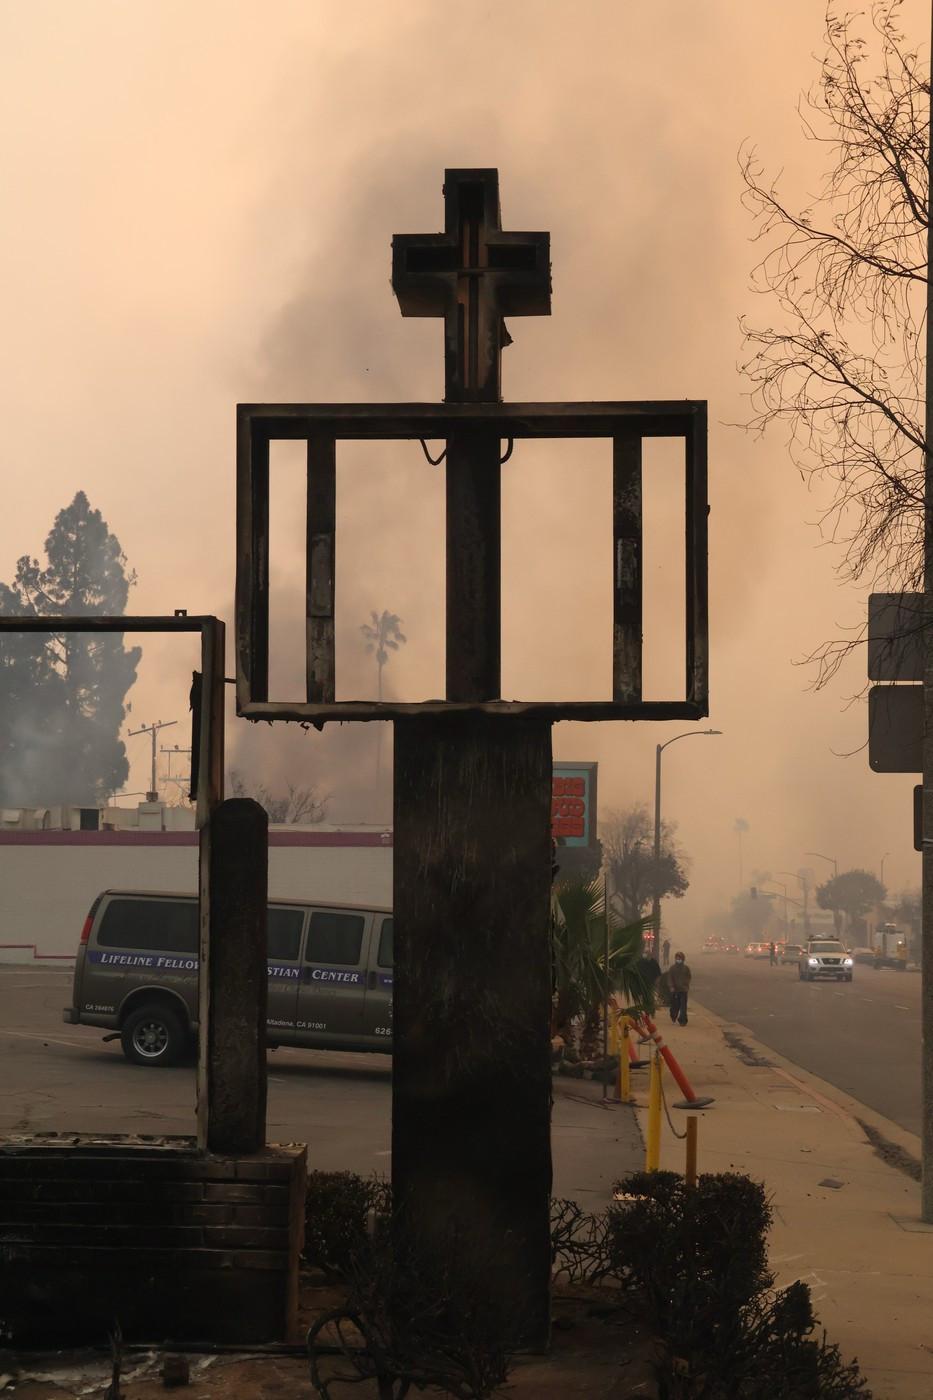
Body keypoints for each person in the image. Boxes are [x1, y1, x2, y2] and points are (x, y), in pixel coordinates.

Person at [668, 952, 691, 1026]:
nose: (678, 960)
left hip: (683, 990)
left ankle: (683, 1020)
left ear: (683, 959)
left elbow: (688, 977)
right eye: (677, 958)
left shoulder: (686, 968)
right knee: (675, 1005)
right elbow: (670, 978)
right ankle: (673, 1016)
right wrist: (671, 986)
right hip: (675, 990)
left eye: (680, 958)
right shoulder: (672, 968)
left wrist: (686, 985)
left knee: (683, 1006)